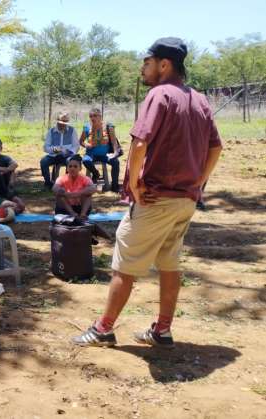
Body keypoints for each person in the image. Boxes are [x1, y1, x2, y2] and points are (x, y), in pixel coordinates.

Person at [72, 38, 222, 348]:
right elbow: (216, 147)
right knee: (169, 263)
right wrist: (198, 184)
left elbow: (139, 143)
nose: (143, 68)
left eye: (147, 62)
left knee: (125, 264)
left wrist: (136, 186)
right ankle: (162, 330)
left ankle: (103, 329)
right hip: (184, 202)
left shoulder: (159, 94)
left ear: (164, 64)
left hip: (155, 199)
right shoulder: (200, 99)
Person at [79, 108, 122, 192]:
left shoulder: (108, 126)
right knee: (85, 160)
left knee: (116, 162)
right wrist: (86, 145)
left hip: (105, 155)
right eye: (91, 116)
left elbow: (114, 142)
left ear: (100, 116)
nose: (92, 118)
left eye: (95, 116)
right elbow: (80, 141)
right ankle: (96, 174)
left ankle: (114, 186)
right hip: (91, 154)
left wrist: (115, 153)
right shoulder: (87, 127)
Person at [40, 112, 79, 190]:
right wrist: (54, 150)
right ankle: (48, 183)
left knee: (71, 162)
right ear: (57, 121)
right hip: (54, 155)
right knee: (43, 161)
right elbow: (45, 147)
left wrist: (70, 152)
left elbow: (76, 146)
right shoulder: (51, 131)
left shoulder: (72, 130)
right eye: (61, 123)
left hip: (67, 155)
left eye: (65, 123)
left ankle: (68, 182)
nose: (63, 125)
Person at [53, 155, 96, 220]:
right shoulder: (61, 178)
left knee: (88, 194)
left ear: (80, 168)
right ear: (67, 168)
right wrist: (66, 194)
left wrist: (78, 193)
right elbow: (54, 188)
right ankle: (72, 213)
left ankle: (83, 215)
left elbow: (93, 188)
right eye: (70, 166)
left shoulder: (85, 178)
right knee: (60, 193)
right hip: (64, 209)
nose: (72, 168)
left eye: (75, 166)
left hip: (80, 208)